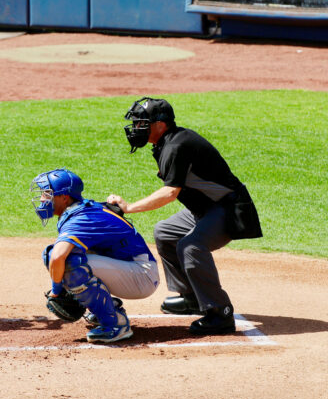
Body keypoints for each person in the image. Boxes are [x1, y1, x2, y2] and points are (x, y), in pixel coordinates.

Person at [107, 97, 262, 336]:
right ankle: (192, 297)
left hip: (228, 209)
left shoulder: (177, 146)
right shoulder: (165, 143)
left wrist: (129, 207)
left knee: (191, 246)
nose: (136, 128)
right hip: (205, 209)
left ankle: (219, 312)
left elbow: (170, 193)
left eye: (141, 123)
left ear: (160, 125)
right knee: (165, 232)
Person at [31, 168, 160, 344]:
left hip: (142, 275)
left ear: (64, 197)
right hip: (129, 268)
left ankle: (116, 324)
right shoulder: (80, 211)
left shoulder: (81, 218)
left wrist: (56, 292)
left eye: (47, 194)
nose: (42, 199)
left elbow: (58, 258)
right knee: (57, 255)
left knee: (68, 262)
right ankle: (104, 308)